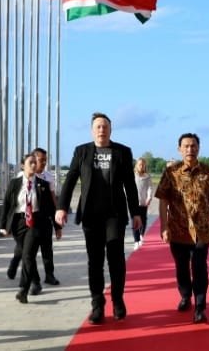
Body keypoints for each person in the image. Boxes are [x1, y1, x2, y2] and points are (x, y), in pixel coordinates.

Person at [55, 112, 141, 324]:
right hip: (91, 216)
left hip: (115, 215)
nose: (101, 129)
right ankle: (97, 305)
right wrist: (62, 207)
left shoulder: (122, 152)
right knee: (94, 262)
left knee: (116, 259)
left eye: (105, 126)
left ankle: (118, 300)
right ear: (92, 130)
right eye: (98, 126)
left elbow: (130, 185)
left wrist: (136, 212)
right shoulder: (82, 151)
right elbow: (70, 181)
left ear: (111, 130)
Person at [156, 133, 209, 324]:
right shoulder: (171, 172)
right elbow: (163, 201)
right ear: (179, 149)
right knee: (182, 267)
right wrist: (164, 226)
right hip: (178, 230)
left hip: (202, 230)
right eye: (186, 146)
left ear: (198, 148)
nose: (190, 149)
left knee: (200, 267)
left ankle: (201, 307)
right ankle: (185, 295)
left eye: (193, 146)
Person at [0, 153, 60, 304]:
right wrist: (3, 226)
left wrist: (57, 226)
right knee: (28, 256)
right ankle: (36, 282)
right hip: (18, 224)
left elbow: (51, 208)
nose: (34, 165)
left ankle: (23, 290)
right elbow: (7, 205)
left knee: (27, 255)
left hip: (35, 222)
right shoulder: (14, 183)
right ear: (23, 165)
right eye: (30, 163)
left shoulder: (42, 184)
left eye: (35, 162)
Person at [133, 157, 154, 251]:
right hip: (133, 202)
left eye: (143, 164)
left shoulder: (147, 176)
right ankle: (136, 241)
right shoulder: (132, 176)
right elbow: (127, 188)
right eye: (139, 164)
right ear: (136, 165)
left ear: (145, 165)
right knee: (135, 221)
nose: (141, 166)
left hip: (144, 202)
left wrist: (149, 198)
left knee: (143, 220)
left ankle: (141, 235)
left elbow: (150, 187)